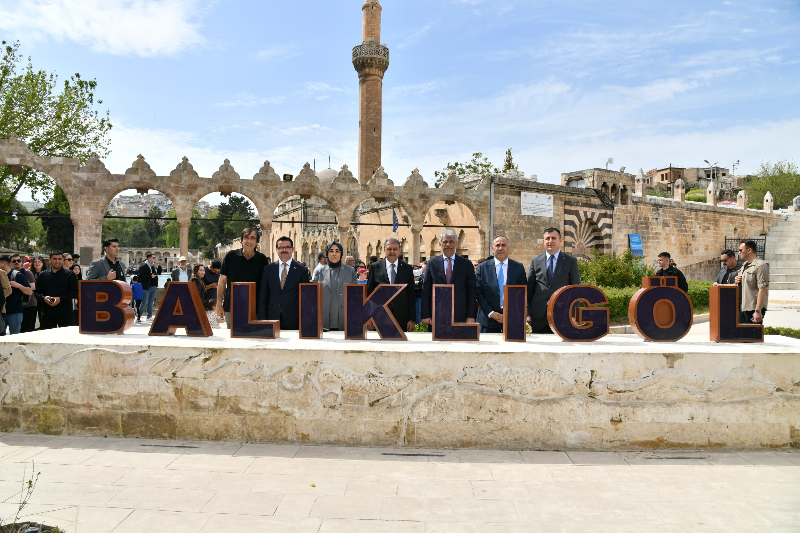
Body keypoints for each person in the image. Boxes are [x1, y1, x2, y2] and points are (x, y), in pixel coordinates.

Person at [527, 228, 581, 334]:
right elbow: (530, 289)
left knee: (561, 347)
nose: (550, 241)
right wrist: (528, 313)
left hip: (562, 313)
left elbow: (576, 289)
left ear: (560, 241)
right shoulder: (535, 261)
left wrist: (574, 315)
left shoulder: (570, 261)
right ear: (543, 241)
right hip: (538, 315)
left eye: (554, 238)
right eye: (547, 238)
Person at [421, 230, 477, 326]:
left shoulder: (466, 264)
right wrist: (425, 314)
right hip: (436, 313)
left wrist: (471, 315)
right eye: (445, 242)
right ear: (440, 244)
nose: (448, 244)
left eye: (451, 242)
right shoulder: (432, 264)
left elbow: (471, 291)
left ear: (457, 244)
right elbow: (426, 290)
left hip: (460, 314)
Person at [216, 228, 270, 325]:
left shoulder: (262, 259)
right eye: (246, 237)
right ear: (241, 240)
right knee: (232, 337)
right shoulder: (230, 256)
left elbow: (265, 285)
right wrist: (219, 304)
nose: (249, 241)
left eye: (253, 238)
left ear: (257, 242)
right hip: (232, 306)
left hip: (255, 308)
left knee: (254, 338)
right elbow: (222, 281)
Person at [476, 236, 528, 334]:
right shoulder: (483, 268)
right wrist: (491, 313)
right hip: (488, 322)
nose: (500, 248)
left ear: (508, 248)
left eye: (503, 245)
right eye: (497, 245)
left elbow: (522, 293)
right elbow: (479, 293)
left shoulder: (518, 268)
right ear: (493, 249)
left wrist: (510, 313)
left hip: (512, 321)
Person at [257, 236, 310, 330]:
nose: (284, 250)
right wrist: (262, 320)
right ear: (276, 250)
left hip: (294, 320)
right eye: (281, 248)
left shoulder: (302, 270)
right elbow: (263, 297)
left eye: (287, 247)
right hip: (272, 318)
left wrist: (305, 321)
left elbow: (305, 299)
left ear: (292, 249)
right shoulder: (268, 269)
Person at [366, 238, 416, 332]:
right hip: (379, 316)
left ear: (399, 250)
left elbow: (411, 295)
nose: (392, 252)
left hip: (401, 317)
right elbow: (370, 294)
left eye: (395, 249)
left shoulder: (407, 269)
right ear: (384, 249)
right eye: (389, 249)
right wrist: (369, 317)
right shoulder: (375, 267)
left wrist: (411, 319)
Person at [313, 241, 357, 331]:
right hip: (324, 320)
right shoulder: (319, 271)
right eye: (331, 251)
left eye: (337, 251)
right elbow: (314, 296)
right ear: (327, 253)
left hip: (344, 319)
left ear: (341, 253)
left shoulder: (350, 271)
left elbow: (354, 295)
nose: (334, 254)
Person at [36, 251, 79, 329]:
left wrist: (61, 298)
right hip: (47, 314)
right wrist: (44, 298)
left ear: (62, 260)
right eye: (54, 259)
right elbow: (36, 292)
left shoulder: (70, 275)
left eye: (59, 259)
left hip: (66, 314)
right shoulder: (42, 275)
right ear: (50, 260)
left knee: (68, 339)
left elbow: (75, 292)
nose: (57, 261)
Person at [735, 240, 769, 324]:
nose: (739, 253)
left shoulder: (760, 265)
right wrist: (736, 281)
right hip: (743, 307)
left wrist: (758, 310)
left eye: (741, 250)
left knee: (753, 336)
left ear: (749, 250)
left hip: (753, 308)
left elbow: (763, 288)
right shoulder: (744, 266)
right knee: (743, 336)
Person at [1, 255, 32, 335]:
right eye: (14, 261)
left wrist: (18, 285)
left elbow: (29, 291)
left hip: (14, 312)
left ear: (4, 263)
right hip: (2, 312)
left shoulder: (18, 275)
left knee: (15, 337)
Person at [11, 254, 38, 334]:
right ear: (10, 263)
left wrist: (18, 285)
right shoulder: (10, 273)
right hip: (17, 305)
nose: (17, 262)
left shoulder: (26, 272)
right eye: (14, 261)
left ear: (21, 262)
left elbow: (32, 287)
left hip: (29, 304)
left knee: (26, 330)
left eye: (18, 261)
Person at [136, 253, 159, 321]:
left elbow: (157, 273)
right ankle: (138, 316)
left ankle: (149, 316)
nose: (155, 259)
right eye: (153, 257)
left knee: (151, 302)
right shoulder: (143, 266)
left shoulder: (153, 266)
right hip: (146, 287)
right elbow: (140, 277)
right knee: (144, 302)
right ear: (149, 258)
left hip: (153, 286)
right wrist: (150, 276)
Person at [30, 256, 46, 330]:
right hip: (31, 299)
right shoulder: (29, 273)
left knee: (43, 320)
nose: (37, 263)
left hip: (43, 299)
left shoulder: (46, 273)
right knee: (31, 320)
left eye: (39, 262)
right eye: (35, 262)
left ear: (43, 263)